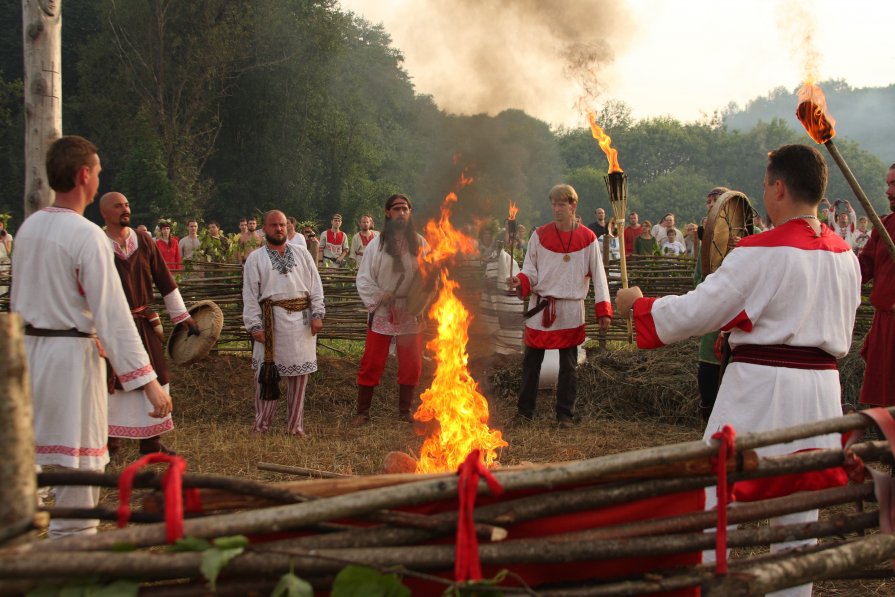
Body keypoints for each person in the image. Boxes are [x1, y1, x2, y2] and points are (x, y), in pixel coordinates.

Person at [616, 145, 861, 597]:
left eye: (767, 185)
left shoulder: (759, 251)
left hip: (763, 387)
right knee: (800, 512)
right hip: (824, 393)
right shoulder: (846, 255)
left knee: (713, 494)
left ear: (779, 187)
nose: (764, 193)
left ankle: (702, 587)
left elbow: (699, 310)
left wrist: (641, 306)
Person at [11, 136, 172, 538]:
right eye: (97, 173)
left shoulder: (28, 229)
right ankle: (72, 551)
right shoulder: (88, 236)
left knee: (28, 461)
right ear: (84, 175)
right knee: (80, 471)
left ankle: (23, 545)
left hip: (28, 356)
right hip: (71, 359)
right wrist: (150, 384)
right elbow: (114, 316)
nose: (98, 180)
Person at [507, 184, 612, 428]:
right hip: (541, 306)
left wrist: (603, 311)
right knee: (531, 363)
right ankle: (524, 413)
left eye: (561, 204)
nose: (556, 209)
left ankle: (565, 415)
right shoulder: (539, 235)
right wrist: (520, 280)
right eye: (553, 204)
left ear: (573, 206)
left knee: (569, 366)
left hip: (570, 310)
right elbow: (530, 270)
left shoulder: (588, 238)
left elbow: (599, 276)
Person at [100, 192, 196, 456]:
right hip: (113, 327)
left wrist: (183, 317)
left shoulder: (143, 240)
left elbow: (164, 279)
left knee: (156, 377)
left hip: (143, 323)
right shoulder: (97, 242)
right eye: (118, 206)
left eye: (128, 204)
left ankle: (152, 443)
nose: (125, 209)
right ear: (105, 213)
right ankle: (111, 443)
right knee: (113, 383)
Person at [243, 210, 324, 435]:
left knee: (299, 377)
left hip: (302, 322)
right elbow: (249, 295)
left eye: (282, 225)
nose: (279, 229)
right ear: (264, 229)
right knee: (266, 376)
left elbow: (315, 285)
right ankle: (261, 426)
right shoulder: (255, 258)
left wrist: (317, 313)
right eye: (274, 225)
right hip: (272, 321)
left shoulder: (302, 253)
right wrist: (255, 326)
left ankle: (295, 426)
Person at [355, 194, 429, 424]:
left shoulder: (421, 243)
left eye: (405, 209)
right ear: (388, 213)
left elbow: (429, 280)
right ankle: (363, 412)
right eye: (396, 209)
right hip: (383, 310)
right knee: (372, 362)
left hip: (410, 310)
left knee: (412, 363)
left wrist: (420, 302)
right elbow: (364, 278)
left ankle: (404, 412)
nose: (401, 213)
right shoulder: (376, 244)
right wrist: (380, 294)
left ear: (410, 212)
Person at [857, 163, 895, 408]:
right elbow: (861, 269)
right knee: (882, 406)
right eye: (888, 184)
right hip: (885, 325)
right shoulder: (884, 227)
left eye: (894, 184)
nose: (888, 191)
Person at [0, 216, 12, 296]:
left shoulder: (8, 236)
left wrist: (4, 240)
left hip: (4, 262)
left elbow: (9, 252)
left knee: (3, 284)